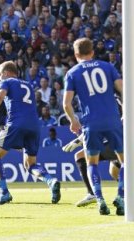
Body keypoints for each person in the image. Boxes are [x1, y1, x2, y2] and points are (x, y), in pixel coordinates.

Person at [0, 61, 60, 205]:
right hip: (35, 126)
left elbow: (0, 96)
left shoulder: (6, 82)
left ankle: (4, 192)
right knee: (30, 165)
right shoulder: (28, 84)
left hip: (16, 123)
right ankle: (51, 180)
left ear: (5, 73)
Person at [63, 38, 124, 216]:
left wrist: (74, 121)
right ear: (93, 52)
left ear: (75, 55)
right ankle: (121, 197)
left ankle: (99, 199)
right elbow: (123, 89)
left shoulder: (72, 73)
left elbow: (66, 103)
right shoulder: (107, 67)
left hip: (91, 123)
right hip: (113, 120)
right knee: (125, 161)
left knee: (92, 163)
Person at [62, 133, 121, 207]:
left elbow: (95, 127)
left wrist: (78, 140)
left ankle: (92, 193)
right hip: (116, 141)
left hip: (122, 141)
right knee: (113, 171)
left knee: (81, 156)